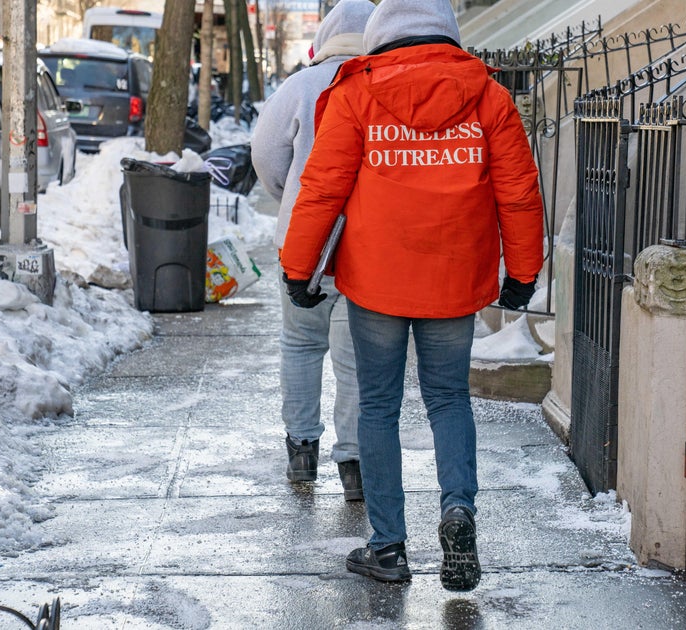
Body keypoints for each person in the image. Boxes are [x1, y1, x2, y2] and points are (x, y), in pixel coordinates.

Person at [279, 0, 544, 592]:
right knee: (449, 399)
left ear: (380, 34)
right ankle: (457, 511)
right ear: (448, 32)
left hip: (376, 278)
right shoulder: (489, 97)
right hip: (455, 276)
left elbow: (321, 190)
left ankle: (389, 547)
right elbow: (519, 194)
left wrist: (300, 269)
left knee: (378, 406)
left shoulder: (356, 95)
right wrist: (523, 272)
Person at [252, 0, 375, 502]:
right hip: (365, 247)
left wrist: (292, 200)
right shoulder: (377, 84)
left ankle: (301, 450)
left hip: (304, 244)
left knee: (300, 345)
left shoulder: (299, 87)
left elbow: (264, 153)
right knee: (357, 359)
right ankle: (355, 464)